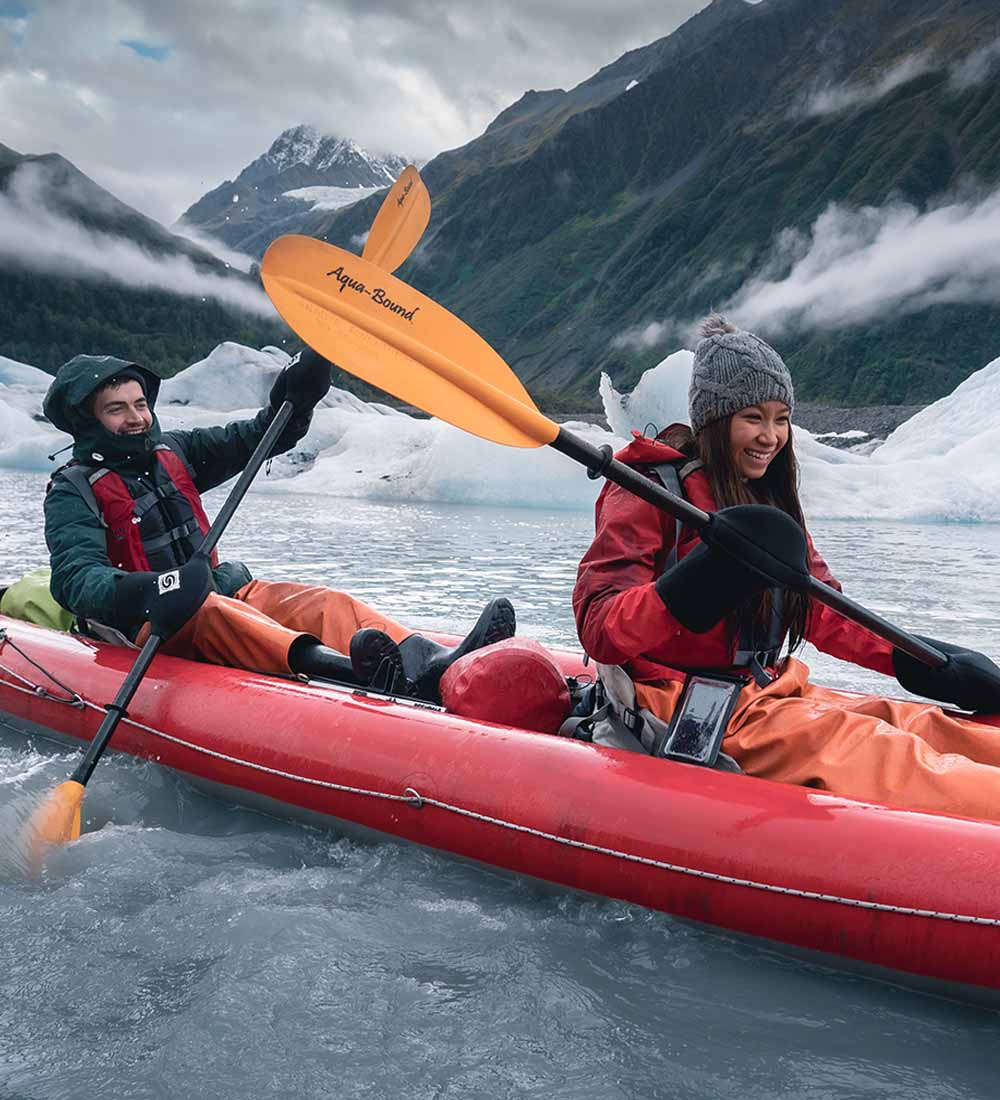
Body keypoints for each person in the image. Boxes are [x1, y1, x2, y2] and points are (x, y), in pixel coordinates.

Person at [572, 313, 1000, 821]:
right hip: (679, 702)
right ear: (714, 419)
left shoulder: (766, 500)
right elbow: (600, 629)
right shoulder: (649, 489)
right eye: (752, 417)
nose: (770, 436)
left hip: (766, 689)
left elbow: (824, 609)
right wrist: (699, 582)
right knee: (888, 753)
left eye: (781, 418)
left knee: (930, 726)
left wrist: (930, 664)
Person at [41, 351, 515, 702]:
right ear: (89, 420)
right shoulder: (73, 489)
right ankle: (352, 672)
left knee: (324, 602)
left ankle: (426, 661)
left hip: (220, 589)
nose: (136, 417)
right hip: (149, 624)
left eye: (139, 404)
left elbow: (261, 437)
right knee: (213, 615)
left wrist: (297, 399)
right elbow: (74, 579)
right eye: (117, 409)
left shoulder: (174, 451)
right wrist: (156, 588)